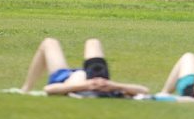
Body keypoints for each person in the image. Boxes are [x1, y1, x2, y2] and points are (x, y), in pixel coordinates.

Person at [19, 37, 149, 97]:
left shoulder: (86, 91)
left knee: (49, 42)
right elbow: (144, 90)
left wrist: (86, 85)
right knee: (93, 42)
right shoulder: (110, 88)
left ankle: (25, 89)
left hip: (64, 79)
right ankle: (25, 89)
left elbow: (49, 89)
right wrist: (112, 85)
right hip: (96, 75)